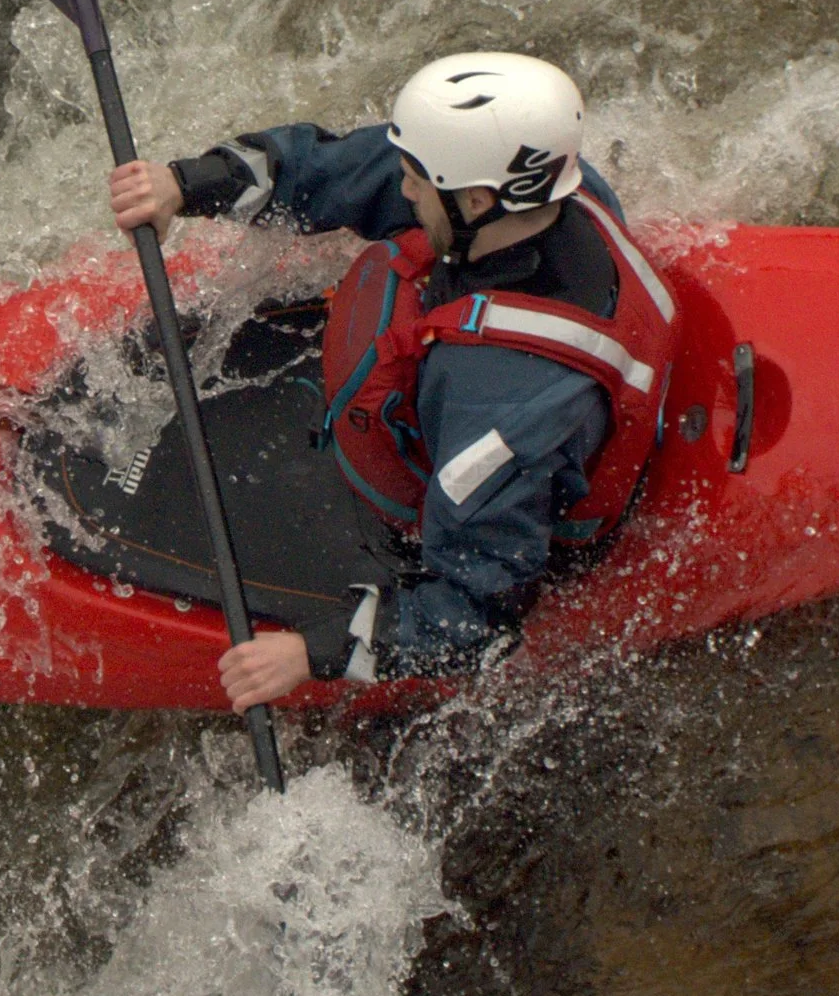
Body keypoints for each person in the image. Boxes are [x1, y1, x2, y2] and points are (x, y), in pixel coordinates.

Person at [107, 52, 677, 712]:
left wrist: (313, 652)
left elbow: (477, 616)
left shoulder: (505, 416)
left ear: (475, 200)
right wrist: (189, 183)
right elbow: (350, 167)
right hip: (477, 410)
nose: (402, 188)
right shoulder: (553, 192)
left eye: (417, 180)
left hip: (492, 503)